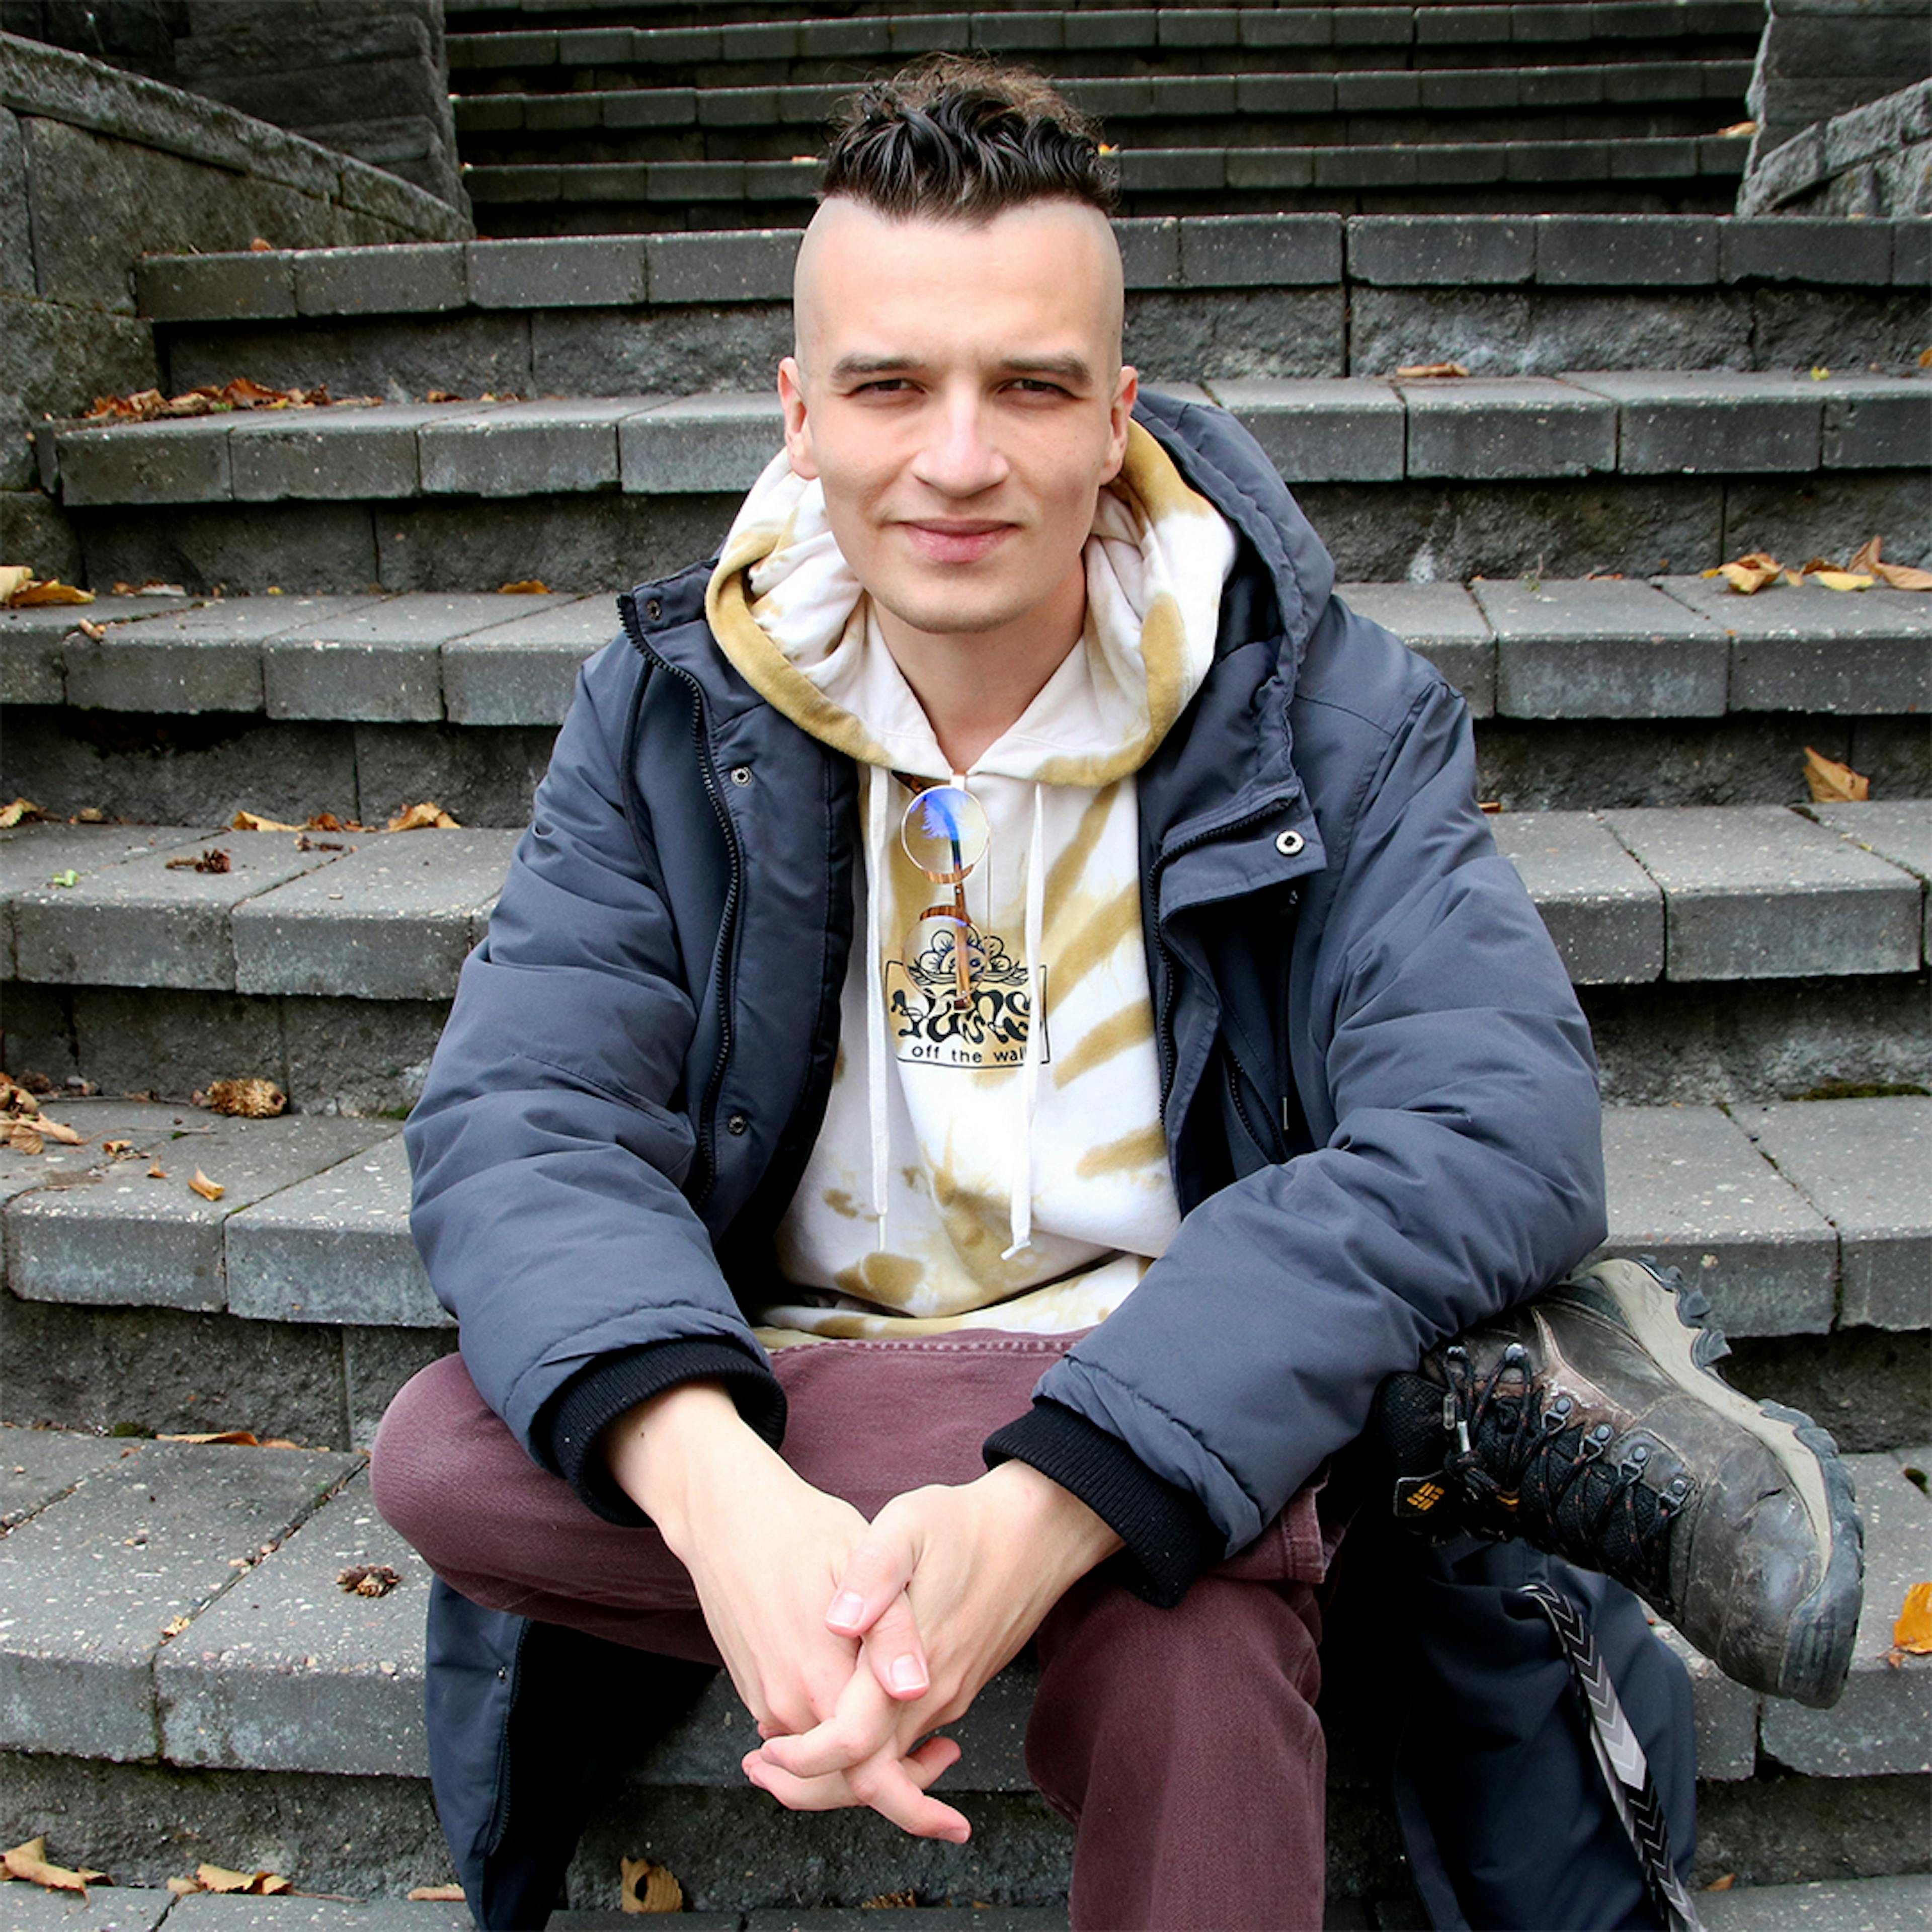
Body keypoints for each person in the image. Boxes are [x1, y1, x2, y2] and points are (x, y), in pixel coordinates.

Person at [371, 62, 1860, 1932]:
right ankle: (1387, 1454)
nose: (961, 457)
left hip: (1174, 1336)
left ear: (1117, 418)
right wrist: (731, 1506)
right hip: (864, 1379)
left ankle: (1223, 1473)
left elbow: (1494, 1117)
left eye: (1033, 385)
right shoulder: (672, 714)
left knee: (1194, 1629)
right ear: (802, 415)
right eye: (893, 384)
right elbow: (521, 1120)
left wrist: (1057, 1497)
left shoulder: (1327, 711)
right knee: (450, 1451)